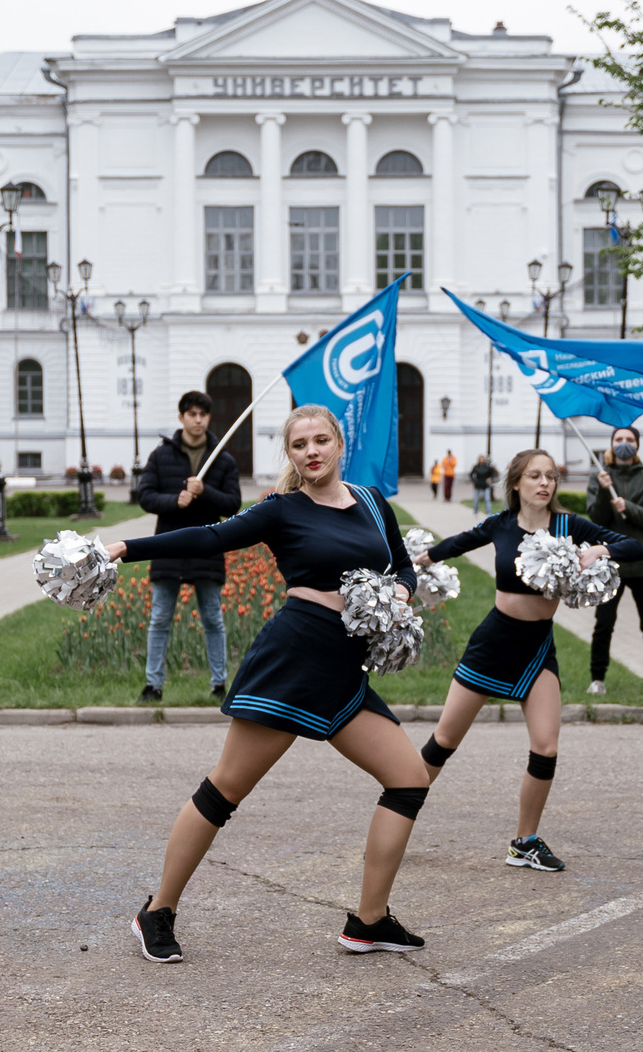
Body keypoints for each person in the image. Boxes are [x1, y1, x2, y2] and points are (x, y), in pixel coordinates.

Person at [105, 404, 431, 963]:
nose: (312, 451)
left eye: (321, 440)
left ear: (338, 443)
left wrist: (401, 591)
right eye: (300, 443)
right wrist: (126, 549)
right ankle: (157, 911)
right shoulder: (283, 510)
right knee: (225, 789)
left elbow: (401, 563)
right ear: (290, 454)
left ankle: (369, 920)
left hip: (344, 671)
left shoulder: (374, 504)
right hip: (292, 661)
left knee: (409, 779)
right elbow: (209, 538)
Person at [413, 448, 643, 872]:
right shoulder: (500, 525)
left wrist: (598, 552)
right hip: (493, 643)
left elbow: (635, 547)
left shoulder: (569, 525)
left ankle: (525, 841)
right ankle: (397, 813)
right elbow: (456, 544)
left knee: (546, 747)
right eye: (535, 476)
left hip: (538, 647)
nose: (544, 483)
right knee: (444, 741)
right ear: (516, 483)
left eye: (551, 476)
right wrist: (420, 560)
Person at [132, 390, 244, 704]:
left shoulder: (221, 458)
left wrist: (204, 491)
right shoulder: (161, 455)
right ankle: (152, 687)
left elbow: (233, 505)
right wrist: (174, 501)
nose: (197, 420)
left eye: (203, 415)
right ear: (181, 417)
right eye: (191, 414)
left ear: (208, 418)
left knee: (212, 618)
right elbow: (145, 496)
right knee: (160, 619)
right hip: (168, 545)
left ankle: (219, 685)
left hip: (206, 546)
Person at [585, 424, 643, 697]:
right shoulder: (600, 477)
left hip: (642, 562)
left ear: (637, 445)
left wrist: (628, 507)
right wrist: (602, 491)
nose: (624, 443)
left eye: (629, 439)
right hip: (610, 563)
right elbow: (596, 519)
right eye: (619, 439)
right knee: (604, 622)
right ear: (611, 444)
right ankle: (597, 679)